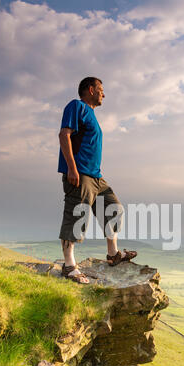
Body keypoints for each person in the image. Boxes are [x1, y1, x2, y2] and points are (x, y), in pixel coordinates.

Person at [58, 77, 137, 283]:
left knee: (114, 208)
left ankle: (113, 254)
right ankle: (69, 266)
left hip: (96, 177)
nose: (104, 94)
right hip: (80, 174)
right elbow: (64, 135)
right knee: (76, 218)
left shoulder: (91, 114)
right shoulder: (77, 106)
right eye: (101, 90)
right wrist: (72, 169)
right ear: (91, 89)